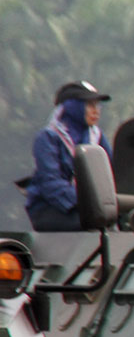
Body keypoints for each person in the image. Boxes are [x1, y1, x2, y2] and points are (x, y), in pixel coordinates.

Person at [25, 81, 114, 232]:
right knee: (95, 227)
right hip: (50, 209)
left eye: (98, 105)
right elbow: (51, 184)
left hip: (90, 207)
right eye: (90, 105)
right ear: (73, 106)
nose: (96, 111)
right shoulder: (48, 138)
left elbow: (108, 176)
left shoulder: (97, 137)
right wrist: (86, 202)